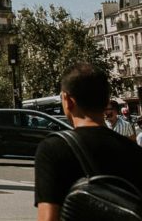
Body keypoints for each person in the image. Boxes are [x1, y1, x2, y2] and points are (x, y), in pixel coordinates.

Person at [35, 63, 142, 220]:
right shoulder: (134, 151)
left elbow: (48, 217)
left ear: (67, 100)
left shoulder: (54, 149)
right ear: (106, 100)